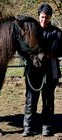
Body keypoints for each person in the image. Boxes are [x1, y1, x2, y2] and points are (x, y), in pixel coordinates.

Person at [22, 3, 62, 137]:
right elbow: (24, 49)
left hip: (50, 71)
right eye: (42, 17)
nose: (44, 20)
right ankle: (28, 127)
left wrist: (51, 53)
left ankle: (47, 127)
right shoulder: (31, 32)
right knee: (30, 100)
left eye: (46, 17)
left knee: (48, 101)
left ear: (50, 17)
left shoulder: (57, 33)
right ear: (38, 16)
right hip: (33, 71)